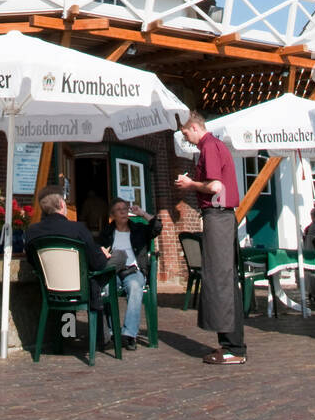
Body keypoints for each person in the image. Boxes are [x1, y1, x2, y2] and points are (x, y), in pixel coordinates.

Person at [176, 112, 246, 366]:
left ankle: (232, 348)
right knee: (224, 279)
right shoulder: (213, 146)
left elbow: (215, 186)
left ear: (194, 127)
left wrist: (190, 184)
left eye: (186, 134)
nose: (186, 139)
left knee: (219, 280)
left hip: (218, 215)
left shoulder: (208, 147)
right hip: (221, 216)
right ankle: (233, 345)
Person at [25, 185, 122, 344]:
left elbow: (32, 261)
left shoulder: (32, 231)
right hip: (80, 286)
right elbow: (97, 264)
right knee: (118, 257)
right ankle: (100, 335)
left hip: (52, 288)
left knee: (84, 279)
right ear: (62, 205)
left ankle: (67, 335)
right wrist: (102, 254)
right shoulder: (77, 229)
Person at [97, 199, 162, 350]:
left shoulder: (139, 229)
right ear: (112, 215)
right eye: (118, 209)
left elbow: (157, 226)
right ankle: (112, 332)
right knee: (106, 288)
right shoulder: (107, 232)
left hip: (133, 270)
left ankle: (129, 334)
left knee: (134, 286)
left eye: (125, 209)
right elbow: (98, 249)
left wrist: (142, 213)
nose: (123, 212)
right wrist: (102, 252)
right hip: (113, 271)